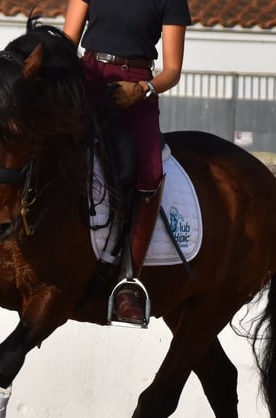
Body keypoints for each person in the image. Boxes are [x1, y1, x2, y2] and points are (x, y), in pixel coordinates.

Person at [63, 0, 191, 323]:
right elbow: (67, 43)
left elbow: (173, 69)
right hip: (88, 76)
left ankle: (127, 284)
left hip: (136, 88)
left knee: (151, 171)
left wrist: (143, 89)